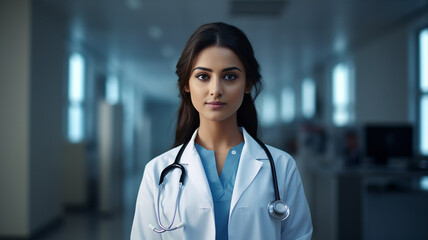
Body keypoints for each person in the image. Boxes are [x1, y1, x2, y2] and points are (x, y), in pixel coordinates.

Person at [130, 22, 313, 240]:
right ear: (186, 84)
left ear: (247, 84)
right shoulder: (158, 172)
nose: (216, 90)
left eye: (230, 76)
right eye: (203, 76)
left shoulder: (282, 167)